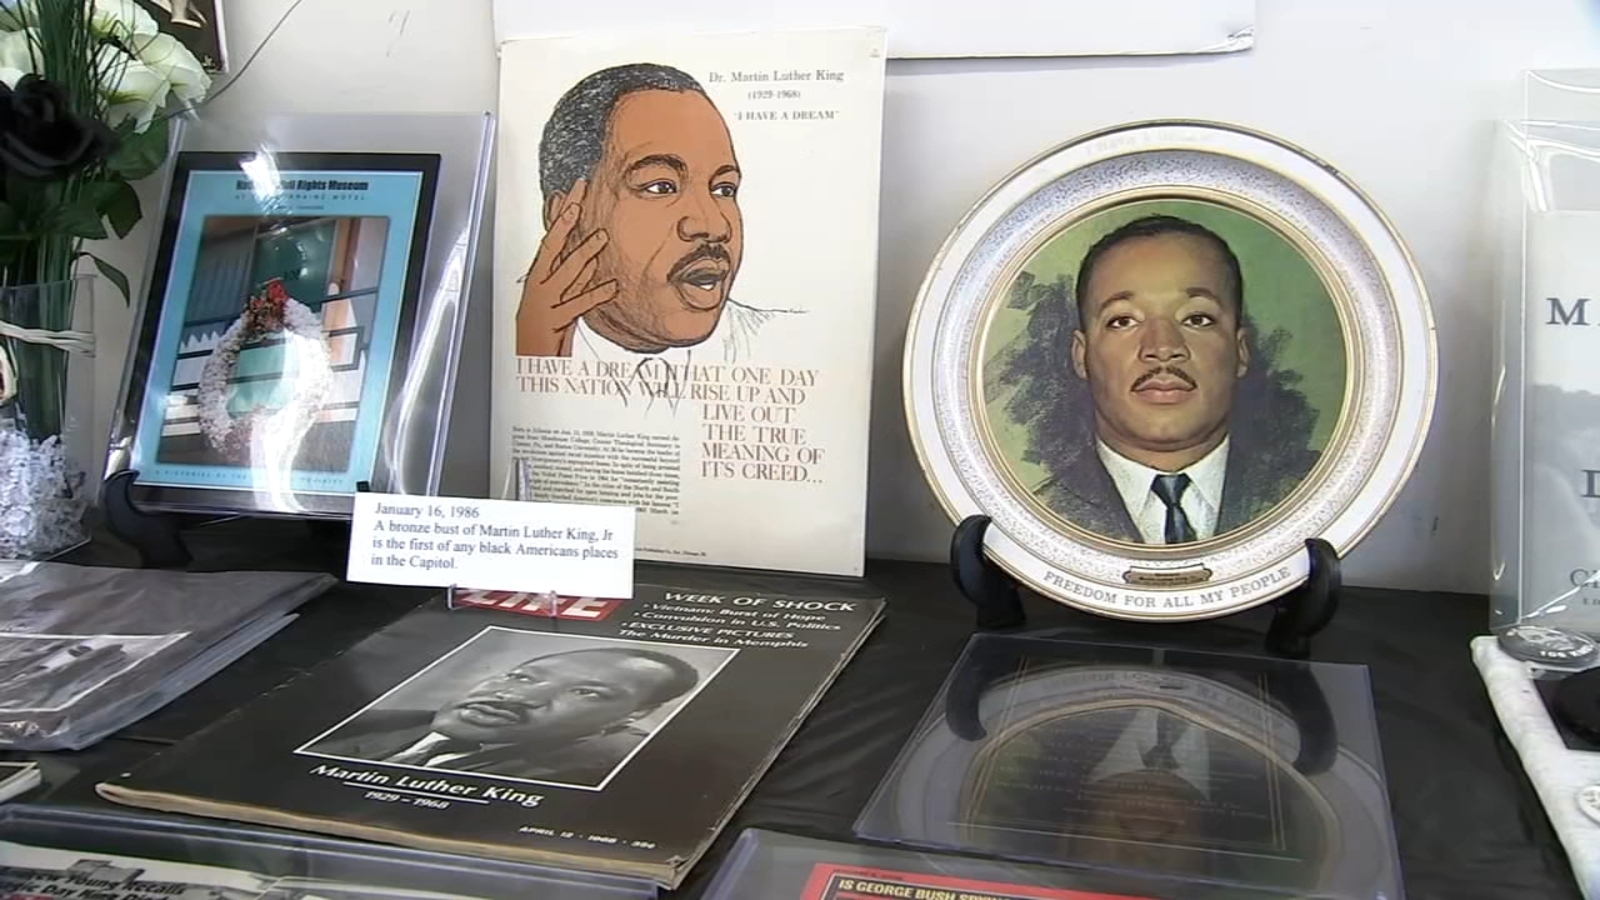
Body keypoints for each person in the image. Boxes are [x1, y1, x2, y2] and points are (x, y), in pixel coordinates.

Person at [1000, 214, 1321, 544]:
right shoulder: (1030, 522)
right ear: (1081, 356)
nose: (1163, 347)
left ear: (1240, 351)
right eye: (1123, 321)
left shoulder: (1315, 502)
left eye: (1197, 318)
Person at [515, 62, 791, 368]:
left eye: (724, 189)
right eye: (661, 187)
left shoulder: (784, 346)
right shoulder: (505, 335)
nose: (715, 225)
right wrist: (536, 364)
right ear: (566, 216)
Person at [306, 647, 700, 785]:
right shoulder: (366, 722)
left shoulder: (594, 774)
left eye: (586, 692)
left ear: (635, 715)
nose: (515, 696)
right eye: (522, 676)